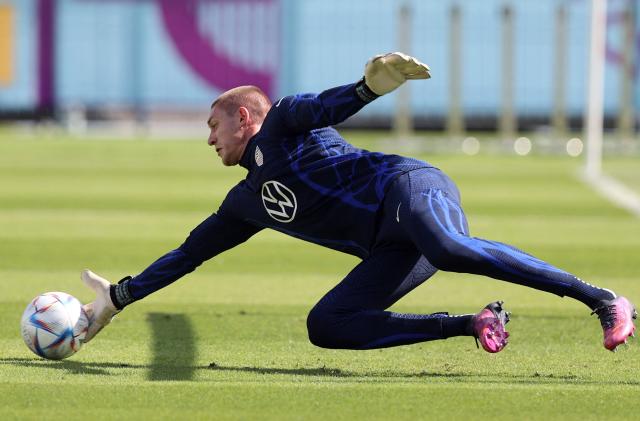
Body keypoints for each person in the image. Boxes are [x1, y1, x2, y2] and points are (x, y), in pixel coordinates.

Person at [81, 52, 636, 353]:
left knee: (445, 245)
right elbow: (189, 254)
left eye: (213, 125)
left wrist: (369, 89)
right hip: (389, 244)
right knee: (327, 324)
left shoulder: (282, 122)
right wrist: (119, 297)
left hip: (410, 188)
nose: (209, 139)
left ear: (244, 118)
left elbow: (325, 107)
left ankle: (601, 299)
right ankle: (471, 323)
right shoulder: (246, 202)